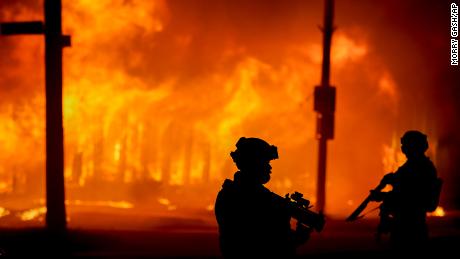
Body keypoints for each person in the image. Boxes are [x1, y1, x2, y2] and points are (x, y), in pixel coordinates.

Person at [214, 137, 311, 258]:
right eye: (265, 163)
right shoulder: (252, 197)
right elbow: (263, 241)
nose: (269, 168)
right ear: (254, 164)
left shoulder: (232, 192)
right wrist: (296, 237)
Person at [370, 130, 441, 251]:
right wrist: (391, 180)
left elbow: (409, 196)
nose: (403, 148)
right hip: (407, 221)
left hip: (410, 224)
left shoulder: (419, 167)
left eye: (406, 145)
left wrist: (383, 196)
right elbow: (402, 185)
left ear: (414, 146)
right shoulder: (413, 165)